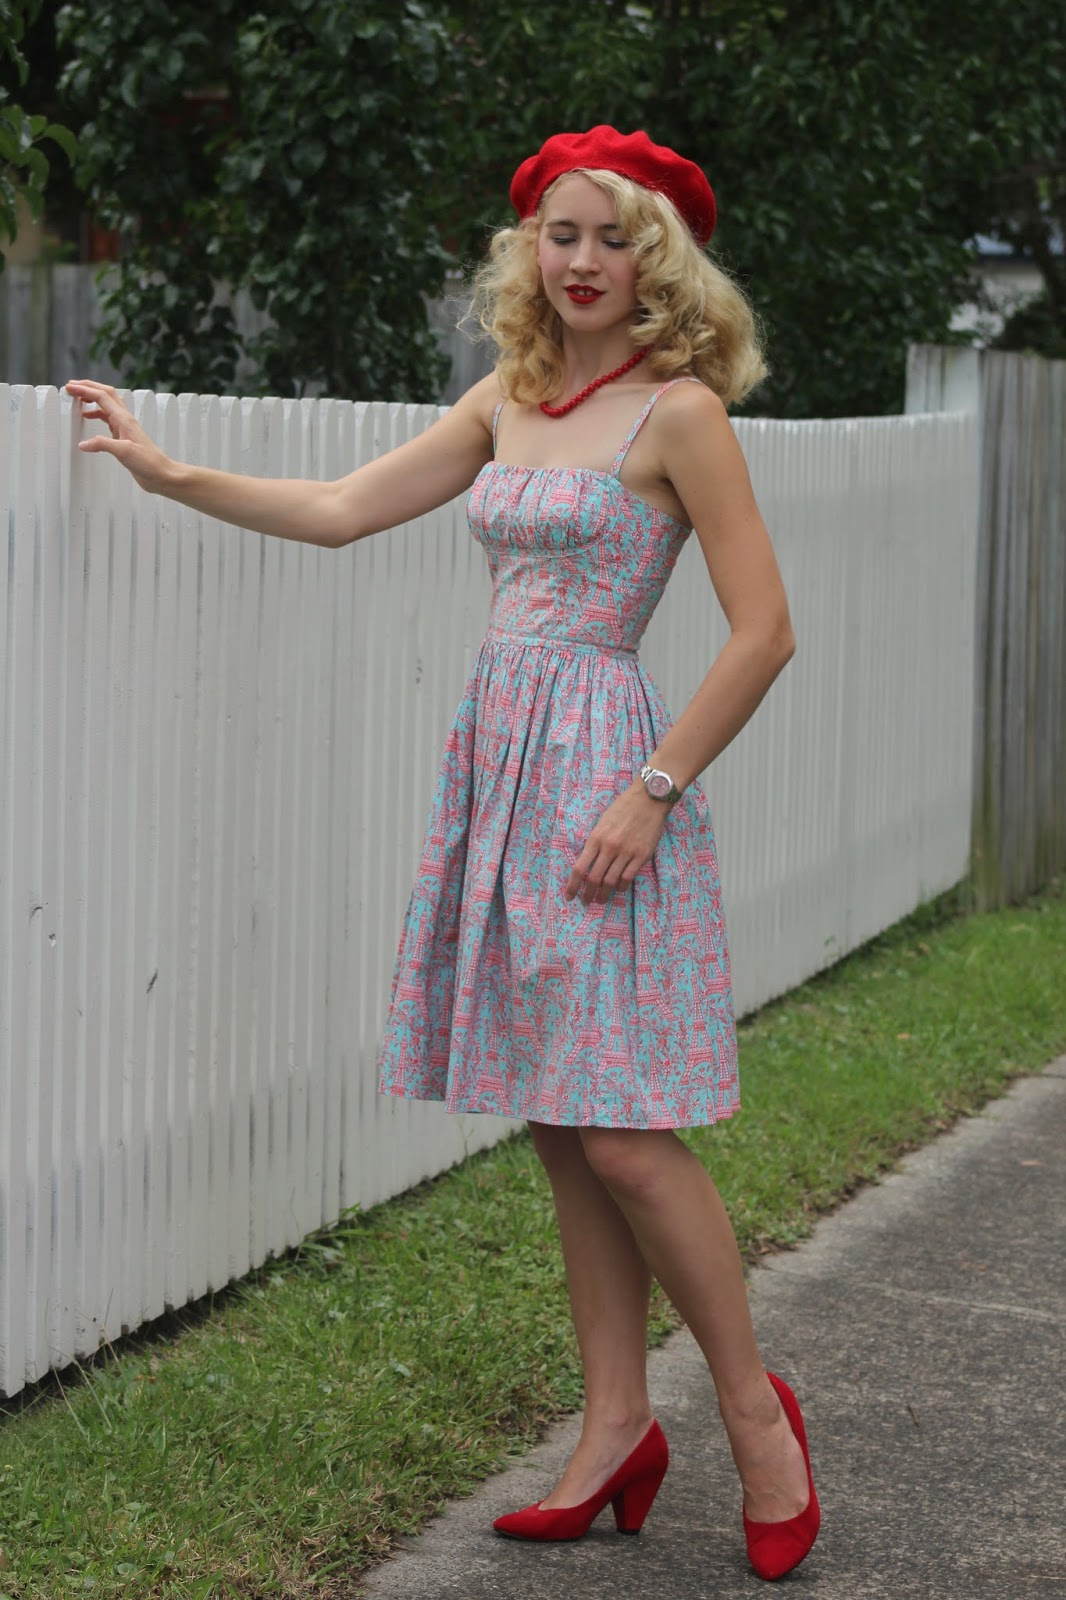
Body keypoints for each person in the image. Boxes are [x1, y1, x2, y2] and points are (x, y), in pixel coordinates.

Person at [65, 124, 818, 1581]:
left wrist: (651, 792)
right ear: (529, 250)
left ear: (656, 260)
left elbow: (764, 630)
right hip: (501, 773)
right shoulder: (508, 398)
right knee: (557, 1119)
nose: (582, 261)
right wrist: (167, 475)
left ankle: (753, 1414)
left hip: (605, 779)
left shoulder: (680, 415)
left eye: (612, 238)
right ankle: (612, 1427)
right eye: (560, 233)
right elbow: (341, 511)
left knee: (624, 1133)